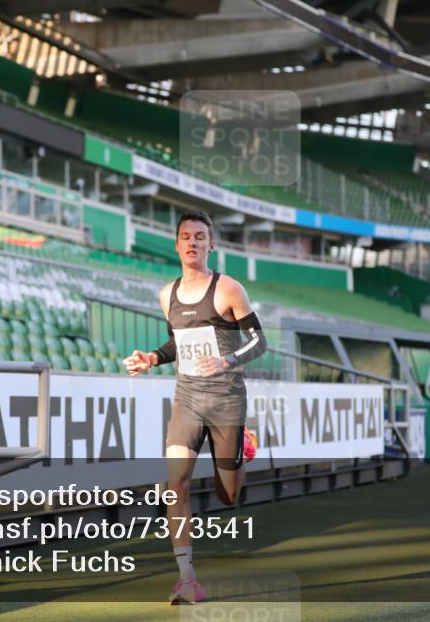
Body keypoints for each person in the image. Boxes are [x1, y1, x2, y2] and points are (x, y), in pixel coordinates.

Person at [122, 211, 266, 605]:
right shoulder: (165, 294)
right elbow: (177, 345)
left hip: (226, 401)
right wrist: (152, 357)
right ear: (176, 244)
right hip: (186, 400)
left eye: (200, 237)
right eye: (185, 236)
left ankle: (242, 446)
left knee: (228, 496)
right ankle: (187, 578)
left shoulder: (229, 289)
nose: (192, 243)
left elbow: (259, 342)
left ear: (211, 245)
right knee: (176, 483)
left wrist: (227, 360)